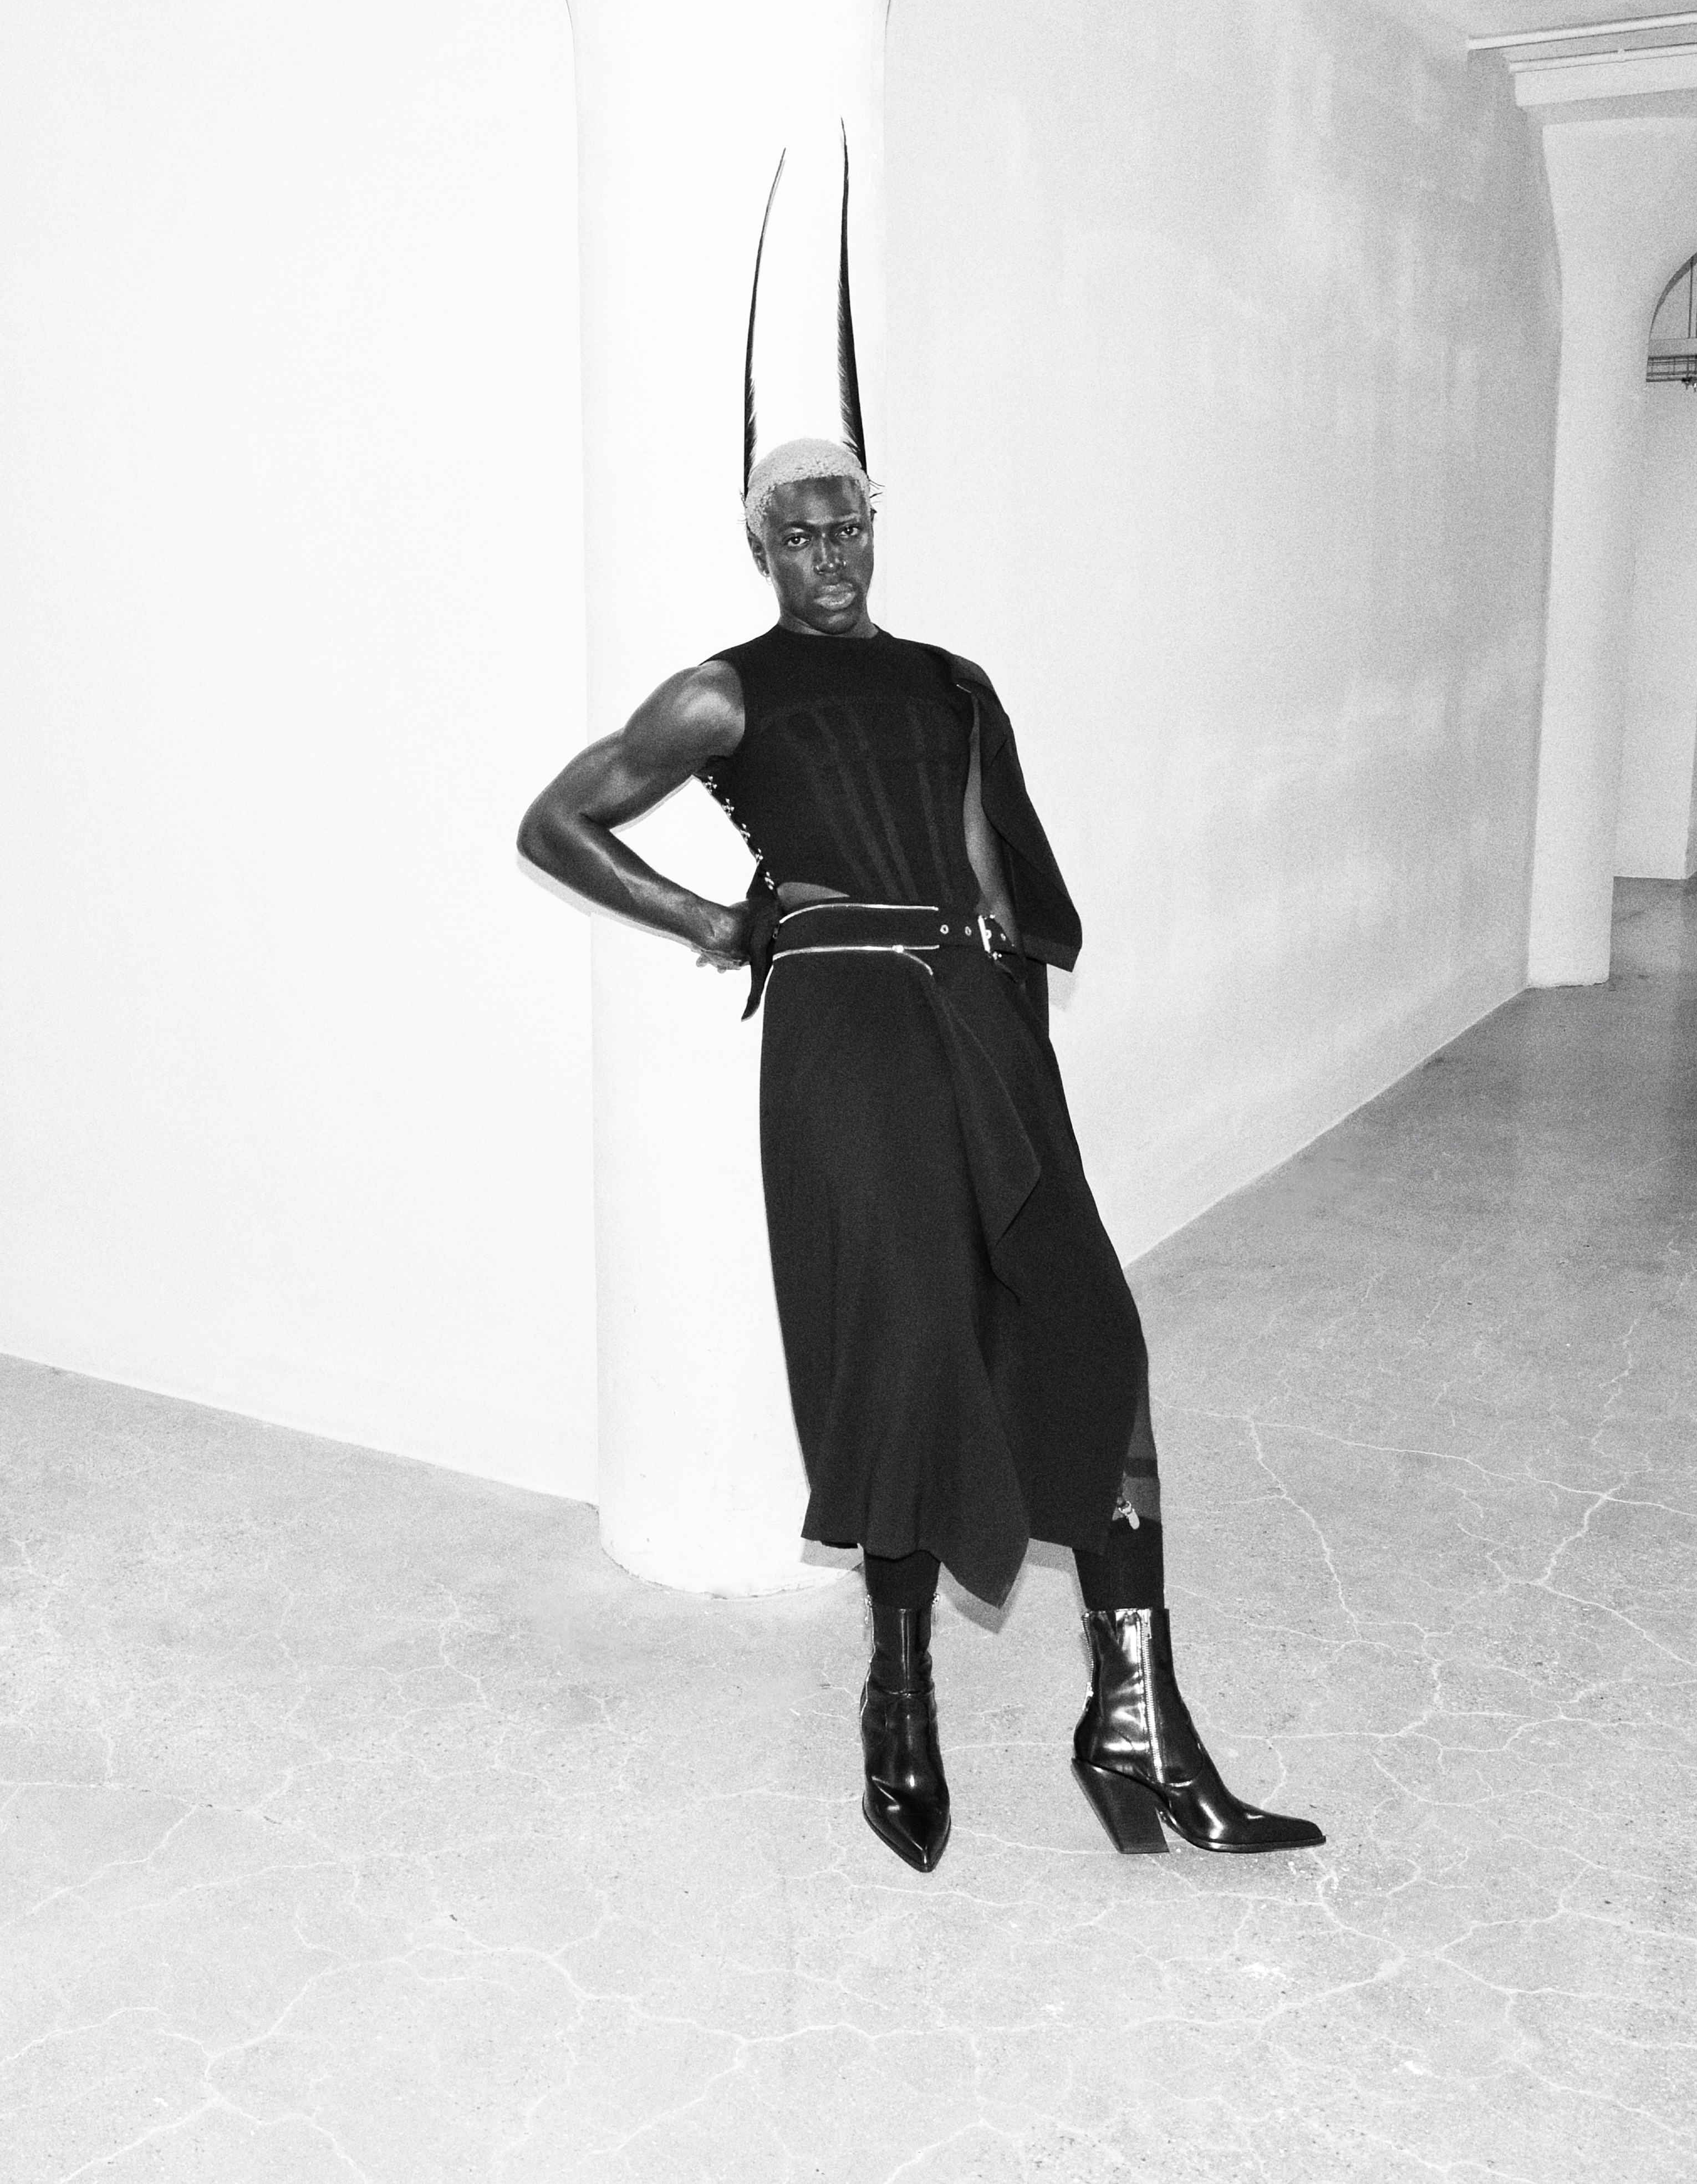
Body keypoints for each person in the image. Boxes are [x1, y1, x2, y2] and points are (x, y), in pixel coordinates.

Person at [519, 436, 1323, 1872]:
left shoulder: (951, 683)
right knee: (900, 1347)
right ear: (759, 548)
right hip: (844, 1040)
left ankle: (1136, 1720)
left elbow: (991, 880)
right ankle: (899, 1697)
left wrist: (1016, 1045)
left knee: (1090, 1333)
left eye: (848, 528)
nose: (829, 555)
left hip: (973, 1025)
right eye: (799, 536)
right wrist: (717, 924)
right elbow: (556, 823)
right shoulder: (722, 692)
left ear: (871, 531)